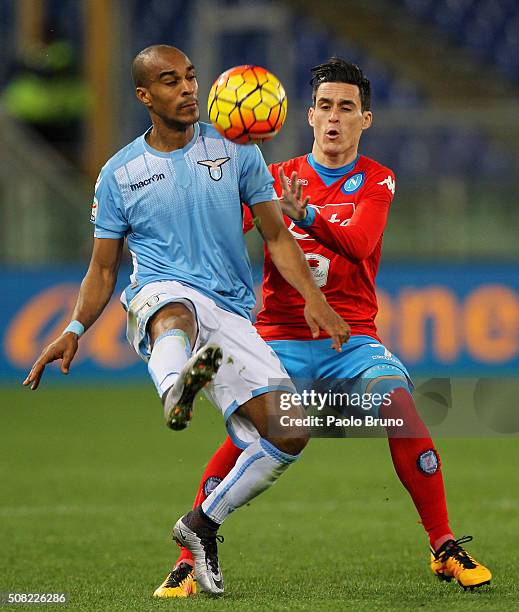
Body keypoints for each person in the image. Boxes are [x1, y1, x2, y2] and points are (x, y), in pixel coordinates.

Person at [156, 57, 492, 598]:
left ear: (366, 120)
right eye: (326, 107)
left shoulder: (377, 179)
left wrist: (306, 216)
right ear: (308, 115)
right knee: (247, 438)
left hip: (350, 341)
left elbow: (358, 244)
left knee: (403, 409)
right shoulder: (270, 178)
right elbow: (218, 233)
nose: (335, 118)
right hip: (279, 340)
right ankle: (185, 558)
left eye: (348, 109)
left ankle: (443, 545)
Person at [23, 45, 350, 596]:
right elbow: (103, 270)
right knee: (175, 310)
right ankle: (178, 391)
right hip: (160, 293)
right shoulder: (120, 173)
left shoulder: (239, 149)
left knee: (291, 431)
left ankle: (203, 523)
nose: (188, 89)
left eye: (192, 77)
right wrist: (74, 328)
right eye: (171, 81)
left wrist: (314, 298)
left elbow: (274, 233)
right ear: (144, 96)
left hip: (231, 313)